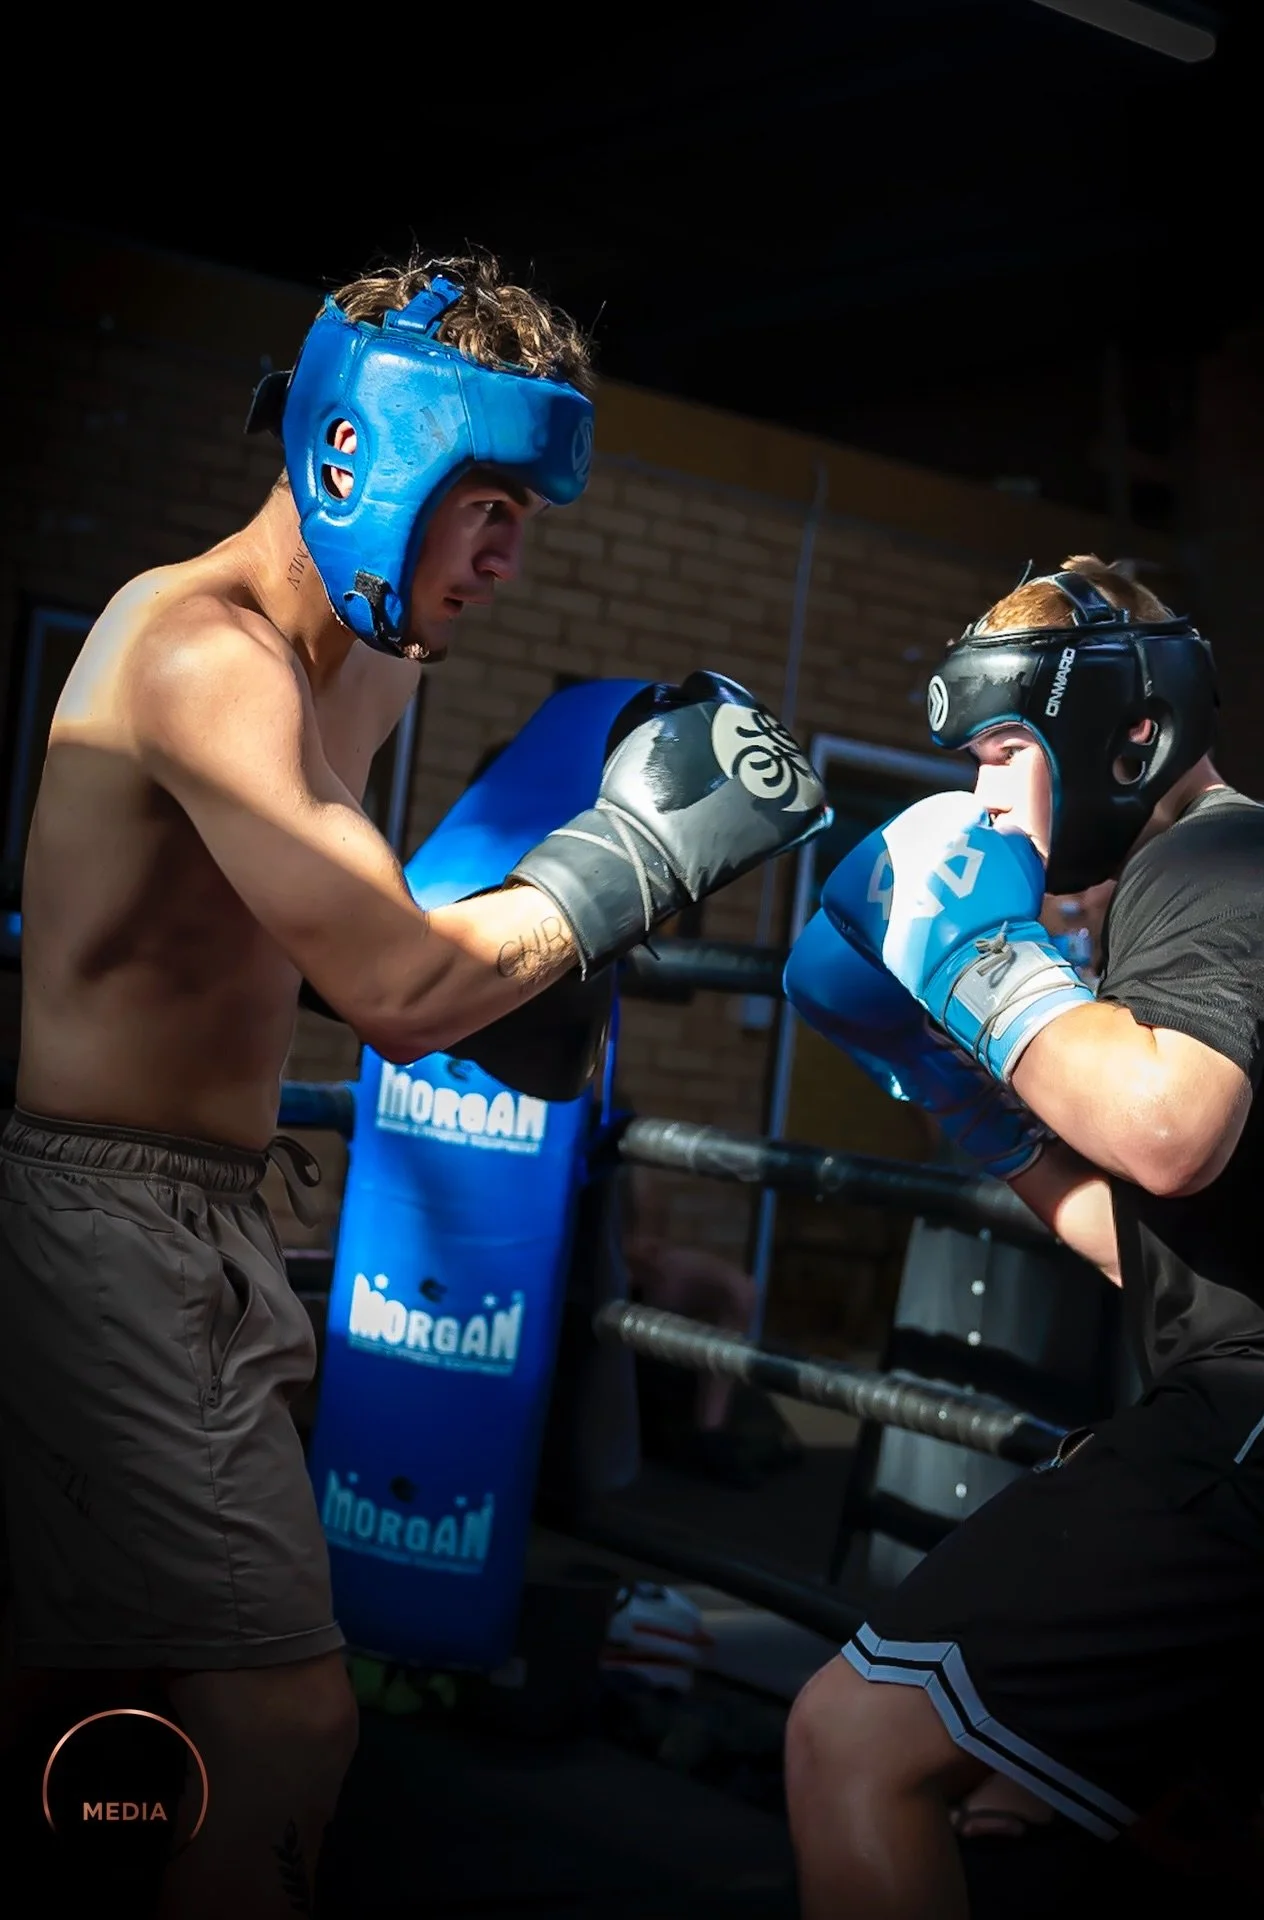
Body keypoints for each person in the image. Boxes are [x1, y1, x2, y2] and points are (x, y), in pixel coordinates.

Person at [0, 254, 828, 1917]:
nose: (512, 558)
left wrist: (534, 968)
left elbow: (341, 932)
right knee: (287, 1714)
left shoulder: (374, 662)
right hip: (98, 1225)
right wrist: (627, 861)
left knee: (103, 1689)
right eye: (489, 504)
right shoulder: (199, 652)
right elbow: (389, 989)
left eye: (531, 513)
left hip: (223, 1216)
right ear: (361, 455)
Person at [782, 555, 1264, 1916]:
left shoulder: (1226, 856)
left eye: (1006, 750)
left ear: (1128, 734)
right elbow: (1134, 1239)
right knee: (1130, 1808)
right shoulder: (1184, 891)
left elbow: (1163, 1128)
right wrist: (975, 1106)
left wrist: (970, 962)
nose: (984, 798)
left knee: (852, 1739)